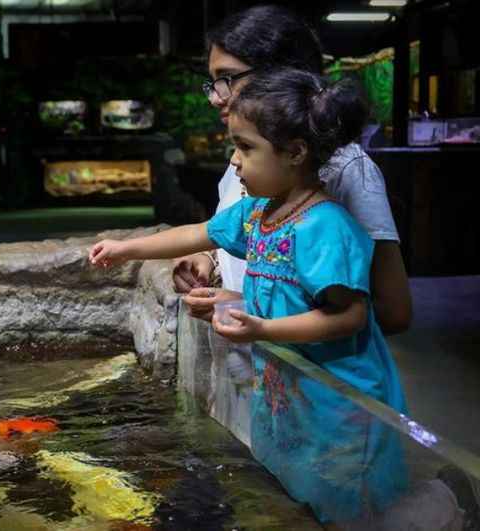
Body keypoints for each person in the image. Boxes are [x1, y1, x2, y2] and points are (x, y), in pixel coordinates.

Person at [88, 68, 408, 524]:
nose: (234, 161)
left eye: (246, 147)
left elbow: (351, 316)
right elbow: (200, 233)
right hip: (292, 392)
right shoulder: (259, 213)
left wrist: (264, 328)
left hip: (339, 402)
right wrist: (126, 250)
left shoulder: (323, 228)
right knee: (298, 495)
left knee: (345, 505)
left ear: (295, 152)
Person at [173, 5, 412, 336]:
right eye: (212, 82)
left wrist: (252, 315)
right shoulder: (245, 163)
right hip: (261, 378)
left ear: (282, 75)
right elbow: (258, 246)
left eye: (227, 79)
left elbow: (392, 311)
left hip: (312, 378)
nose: (215, 97)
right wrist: (210, 263)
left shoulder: (345, 169)